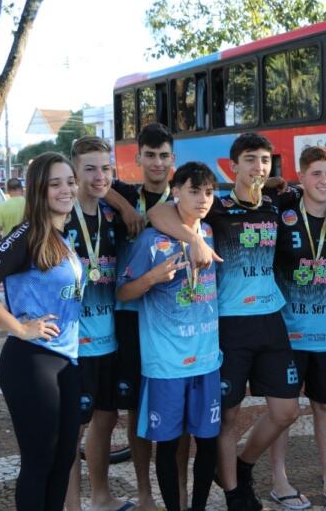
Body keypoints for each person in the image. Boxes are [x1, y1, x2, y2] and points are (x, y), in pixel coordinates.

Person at [148, 133, 326, 511]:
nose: (258, 167)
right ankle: (234, 493)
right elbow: (158, 213)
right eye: (250, 159)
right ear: (233, 166)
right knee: (228, 415)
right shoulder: (217, 204)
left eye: (264, 160)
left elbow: (324, 190)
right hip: (229, 325)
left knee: (285, 410)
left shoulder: (280, 201)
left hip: (271, 321)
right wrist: (191, 240)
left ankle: (243, 466)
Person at [0, 152, 84, 511]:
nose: (66, 189)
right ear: (38, 190)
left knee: (63, 460)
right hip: (31, 362)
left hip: (67, 360)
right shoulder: (27, 233)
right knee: (39, 462)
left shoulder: (62, 236)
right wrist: (18, 327)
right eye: (55, 183)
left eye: (69, 181)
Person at [117, 162, 222, 511]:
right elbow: (123, 293)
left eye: (208, 192)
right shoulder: (151, 240)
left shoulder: (208, 232)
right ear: (176, 191)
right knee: (168, 444)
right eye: (194, 191)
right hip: (165, 365)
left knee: (208, 443)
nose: (203, 199)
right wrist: (151, 279)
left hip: (207, 360)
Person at [102, 122, 190, 511]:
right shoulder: (121, 192)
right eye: (150, 155)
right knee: (137, 408)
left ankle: (181, 493)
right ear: (137, 158)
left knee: (181, 408)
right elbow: (88, 180)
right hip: (131, 316)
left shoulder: (183, 197)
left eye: (164, 155)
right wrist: (123, 207)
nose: (157, 162)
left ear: (174, 159)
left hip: (175, 319)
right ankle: (143, 493)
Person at [268, 146, 326, 511]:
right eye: (316, 174)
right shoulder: (282, 214)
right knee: (283, 411)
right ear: (301, 177)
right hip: (287, 333)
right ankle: (278, 479)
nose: (323, 181)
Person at [63, 136, 132, 511]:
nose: (99, 176)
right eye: (90, 168)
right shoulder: (60, 215)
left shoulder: (110, 216)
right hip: (73, 344)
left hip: (109, 339)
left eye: (106, 168)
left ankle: (102, 496)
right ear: (74, 170)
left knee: (106, 418)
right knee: (73, 429)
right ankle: (72, 505)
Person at [0, 177, 26, 248]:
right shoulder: (31, 205)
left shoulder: (2, 206)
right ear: (22, 189)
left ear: (8, 191)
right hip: (28, 246)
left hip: (9, 247)